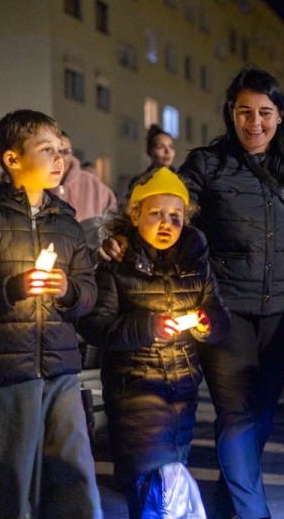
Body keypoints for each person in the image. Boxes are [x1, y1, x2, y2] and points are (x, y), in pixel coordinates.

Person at [100, 67, 284, 518]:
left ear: (280, 115)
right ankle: (254, 511)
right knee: (238, 413)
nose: (254, 123)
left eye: (264, 112)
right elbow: (167, 213)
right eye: (244, 112)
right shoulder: (206, 164)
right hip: (224, 311)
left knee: (260, 413)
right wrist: (126, 237)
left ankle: (227, 504)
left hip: (282, 311)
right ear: (230, 113)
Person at [0, 109, 101, 518]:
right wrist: (12, 287)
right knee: (7, 479)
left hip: (61, 368)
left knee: (74, 472)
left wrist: (69, 291)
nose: (59, 159)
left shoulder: (68, 225)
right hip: (3, 370)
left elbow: (89, 294)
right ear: (12, 159)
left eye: (62, 151)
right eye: (46, 150)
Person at [77, 167, 231, 518]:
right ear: (135, 215)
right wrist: (150, 326)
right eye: (156, 214)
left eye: (176, 216)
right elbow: (97, 327)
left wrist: (205, 323)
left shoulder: (197, 264)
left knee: (171, 476)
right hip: (134, 390)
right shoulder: (116, 266)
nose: (167, 223)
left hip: (182, 390)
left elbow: (220, 317)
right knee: (150, 479)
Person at [54, 132, 117, 249]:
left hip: (91, 261)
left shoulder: (92, 184)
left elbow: (115, 219)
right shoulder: (37, 186)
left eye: (66, 152)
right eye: (55, 151)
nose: (60, 158)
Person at [128, 125, 177, 192]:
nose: (168, 152)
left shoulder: (182, 179)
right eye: (160, 147)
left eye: (171, 147)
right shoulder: (139, 182)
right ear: (149, 151)